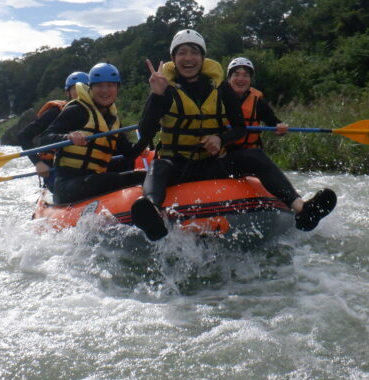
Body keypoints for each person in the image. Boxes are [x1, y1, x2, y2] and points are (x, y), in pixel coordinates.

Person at [130, 29, 336, 241]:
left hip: (212, 163)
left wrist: (221, 139)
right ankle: (153, 213)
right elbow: (146, 132)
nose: (188, 58)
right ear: (174, 58)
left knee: (254, 155)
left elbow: (239, 127)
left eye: (194, 52)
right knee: (158, 165)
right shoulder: (165, 89)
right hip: (178, 166)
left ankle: (301, 208)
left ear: (203, 57)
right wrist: (156, 95)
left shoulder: (221, 88)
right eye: (182, 52)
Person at [38, 62, 145, 204]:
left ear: (117, 88)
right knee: (112, 178)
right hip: (67, 185)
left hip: (94, 179)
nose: (105, 91)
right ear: (91, 89)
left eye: (110, 85)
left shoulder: (113, 120)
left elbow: (129, 153)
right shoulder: (77, 110)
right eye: (99, 86)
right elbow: (44, 139)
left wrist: (146, 138)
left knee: (143, 176)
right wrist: (67, 137)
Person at [17, 71, 89, 191]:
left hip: (84, 166)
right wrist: (38, 163)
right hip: (55, 169)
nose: (81, 92)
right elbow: (23, 136)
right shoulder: (55, 112)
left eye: (85, 88)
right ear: (68, 93)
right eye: (75, 88)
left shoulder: (97, 113)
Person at [225, 56, 289, 151]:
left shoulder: (257, 103)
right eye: (236, 75)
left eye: (246, 75)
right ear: (229, 79)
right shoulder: (218, 99)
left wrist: (281, 128)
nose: (241, 79)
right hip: (223, 152)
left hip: (250, 152)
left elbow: (275, 123)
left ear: (250, 80)